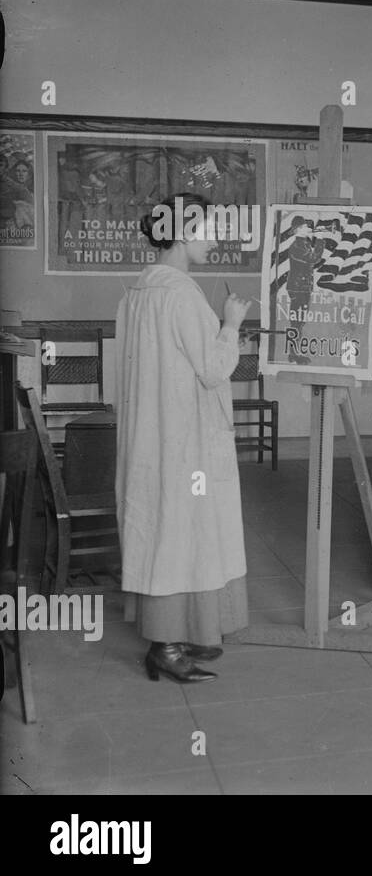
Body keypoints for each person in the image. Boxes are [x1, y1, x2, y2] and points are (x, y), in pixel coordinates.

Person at [117, 192, 254, 684]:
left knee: (166, 528)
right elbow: (214, 371)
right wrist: (232, 324)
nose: (214, 239)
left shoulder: (139, 289)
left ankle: (186, 632)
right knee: (181, 530)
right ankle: (166, 646)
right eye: (208, 228)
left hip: (155, 435)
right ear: (182, 233)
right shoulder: (181, 294)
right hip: (182, 437)